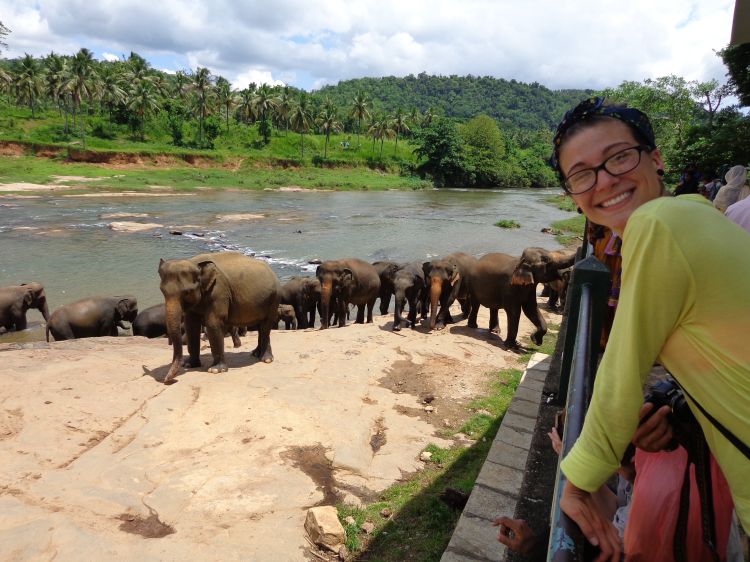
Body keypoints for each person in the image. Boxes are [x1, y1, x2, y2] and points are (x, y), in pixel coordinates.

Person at [549, 97, 750, 560]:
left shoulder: (658, 223)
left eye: (619, 157)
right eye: (582, 174)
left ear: (655, 158)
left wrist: (577, 484)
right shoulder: (695, 214)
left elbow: (620, 371)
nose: (605, 180)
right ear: (572, 193)